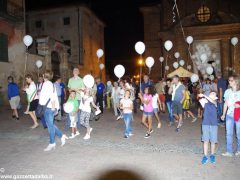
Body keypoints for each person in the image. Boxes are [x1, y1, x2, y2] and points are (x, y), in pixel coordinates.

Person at [39, 70, 68, 151]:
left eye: (43, 74)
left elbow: (52, 97)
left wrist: (52, 108)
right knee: (51, 124)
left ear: (45, 75)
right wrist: (55, 108)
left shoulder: (46, 84)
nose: (42, 75)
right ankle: (62, 136)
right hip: (49, 107)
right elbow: (53, 96)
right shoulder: (50, 84)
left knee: (50, 126)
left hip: (48, 108)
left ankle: (52, 143)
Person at [221, 75, 240, 157]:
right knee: (228, 133)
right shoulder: (227, 91)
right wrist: (223, 114)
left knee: (239, 134)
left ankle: (239, 150)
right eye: (229, 80)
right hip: (229, 115)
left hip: (238, 115)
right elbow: (225, 104)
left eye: (231, 80)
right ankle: (229, 151)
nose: (229, 82)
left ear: (236, 81)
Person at [198, 91, 218, 164]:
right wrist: (200, 95)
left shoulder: (216, 102)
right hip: (205, 123)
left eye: (213, 94)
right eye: (211, 93)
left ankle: (212, 155)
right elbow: (200, 99)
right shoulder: (204, 102)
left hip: (214, 124)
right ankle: (205, 156)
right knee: (206, 141)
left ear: (216, 97)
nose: (211, 94)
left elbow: (212, 101)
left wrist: (204, 96)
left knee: (213, 141)